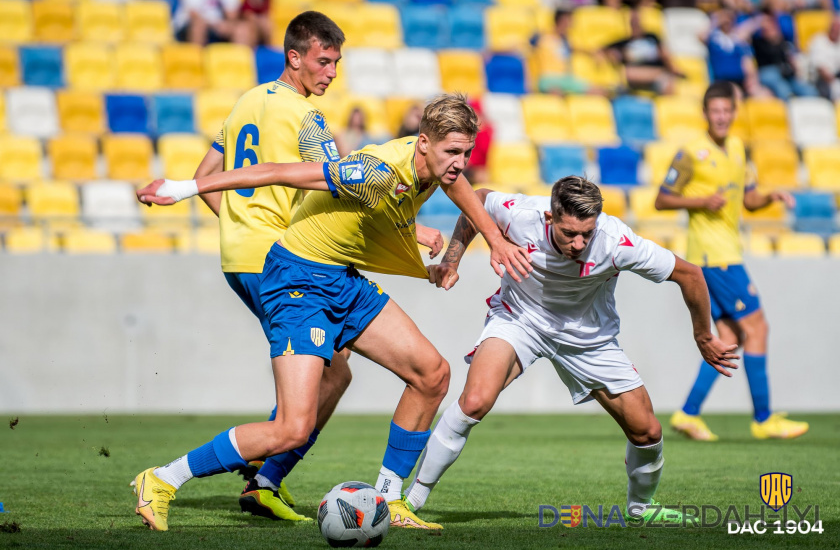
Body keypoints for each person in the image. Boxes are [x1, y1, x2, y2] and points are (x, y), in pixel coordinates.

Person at [133, 93, 533, 531]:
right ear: (423, 143)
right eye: (451, 152)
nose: (459, 163)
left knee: (432, 374)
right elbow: (278, 173)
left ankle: (388, 499)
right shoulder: (373, 172)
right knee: (291, 428)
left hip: (341, 279)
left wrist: (494, 242)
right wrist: (186, 188)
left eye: (466, 152)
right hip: (296, 280)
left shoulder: (438, 168)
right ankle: (162, 479)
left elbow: (461, 189)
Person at [135, 11, 444, 528]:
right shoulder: (308, 118)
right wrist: (409, 235)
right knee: (297, 416)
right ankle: (248, 470)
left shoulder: (246, 102)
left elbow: (205, 175)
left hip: (241, 256)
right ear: (294, 58)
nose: (331, 73)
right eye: (324, 61)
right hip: (289, 262)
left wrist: (238, 227)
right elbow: (336, 191)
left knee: (338, 371)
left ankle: (266, 479)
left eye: (337, 62)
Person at [402, 176, 739, 524]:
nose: (579, 243)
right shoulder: (521, 214)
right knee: (474, 401)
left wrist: (703, 335)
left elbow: (690, 274)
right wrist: (452, 260)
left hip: (588, 338)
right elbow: (477, 201)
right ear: (550, 218)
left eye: (586, 234)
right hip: (521, 319)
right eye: (569, 233)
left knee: (647, 432)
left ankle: (642, 508)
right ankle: (411, 501)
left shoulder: (617, 241)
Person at [655, 81, 809, 441]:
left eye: (727, 111)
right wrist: (701, 202)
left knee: (729, 337)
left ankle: (688, 413)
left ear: (734, 113)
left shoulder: (739, 149)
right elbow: (662, 200)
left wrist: (771, 195)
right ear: (705, 114)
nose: (721, 117)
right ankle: (764, 418)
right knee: (758, 328)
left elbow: (749, 200)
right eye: (715, 111)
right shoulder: (691, 152)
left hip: (728, 251)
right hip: (712, 256)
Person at [603, 8, 685, 94]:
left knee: (670, 82)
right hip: (637, 75)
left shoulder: (652, 37)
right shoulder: (623, 42)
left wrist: (671, 66)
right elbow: (602, 50)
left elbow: (664, 53)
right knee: (628, 72)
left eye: (637, 22)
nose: (636, 25)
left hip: (658, 74)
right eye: (633, 22)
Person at [751, 11, 818, 100]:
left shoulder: (783, 43)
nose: (770, 29)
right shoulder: (757, 42)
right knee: (783, 88)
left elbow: (790, 59)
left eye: (772, 26)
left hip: (785, 74)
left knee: (808, 90)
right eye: (767, 27)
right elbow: (740, 35)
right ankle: (789, 103)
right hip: (768, 72)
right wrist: (756, 23)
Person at [173, 0, 241, 46]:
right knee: (198, 25)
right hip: (187, 26)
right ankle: (197, 59)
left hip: (216, 26)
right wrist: (215, 25)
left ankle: (237, 60)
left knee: (242, 29)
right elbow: (193, 14)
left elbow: (232, 15)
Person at [808, 16, 840, 100]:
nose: (836, 30)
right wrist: (832, 79)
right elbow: (820, 68)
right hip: (819, 81)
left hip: (835, 80)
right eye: (835, 27)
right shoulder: (819, 40)